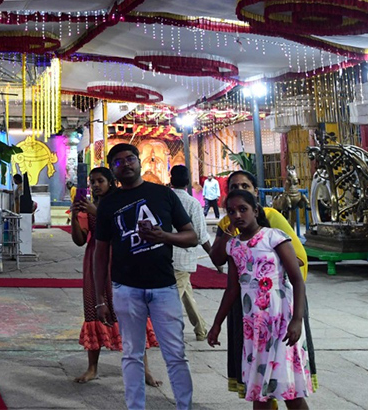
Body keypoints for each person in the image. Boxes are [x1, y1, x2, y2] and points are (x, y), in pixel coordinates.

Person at [93, 143, 197, 410]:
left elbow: (191, 236)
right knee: (132, 354)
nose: (126, 164)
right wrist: (100, 298)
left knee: (175, 354)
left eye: (130, 159)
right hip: (126, 288)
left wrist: (165, 236)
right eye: (118, 162)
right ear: (113, 169)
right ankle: (135, 406)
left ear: (139, 162)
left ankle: (184, 406)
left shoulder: (163, 195)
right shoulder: (108, 204)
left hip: (164, 287)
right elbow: (100, 252)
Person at [209, 169, 315, 399]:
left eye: (243, 209)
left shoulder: (274, 237)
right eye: (232, 211)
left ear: (255, 209)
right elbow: (232, 289)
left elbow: (297, 279)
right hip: (254, 325)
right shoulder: (234, 246)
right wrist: (217, 324)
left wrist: (297, 320)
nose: (237, 215)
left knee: (290, 392)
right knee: (259, 391)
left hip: (281, 320)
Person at [70, 166, 159, 388]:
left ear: (111, 182)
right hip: (94, 261)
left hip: (121, 260)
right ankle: (92, 368)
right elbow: (80, 240)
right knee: (93, 310)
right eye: (92, 182)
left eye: (100, 180)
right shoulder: (90, 207)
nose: (95, 185)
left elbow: (123, 229)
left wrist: (95, 212)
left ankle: (144, 369)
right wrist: (74, 215)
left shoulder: (121, 203)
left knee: (131, 312)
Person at [169, 165, 216, 341]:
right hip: (183, 258)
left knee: (181, 295)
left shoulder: (165, 200)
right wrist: (215, 258)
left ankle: (201, 329)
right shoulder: (193, 203)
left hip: (166, 255)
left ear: (170, 180)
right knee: (175, 297)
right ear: (188, 182)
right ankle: (199, 329)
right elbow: (202, 235)